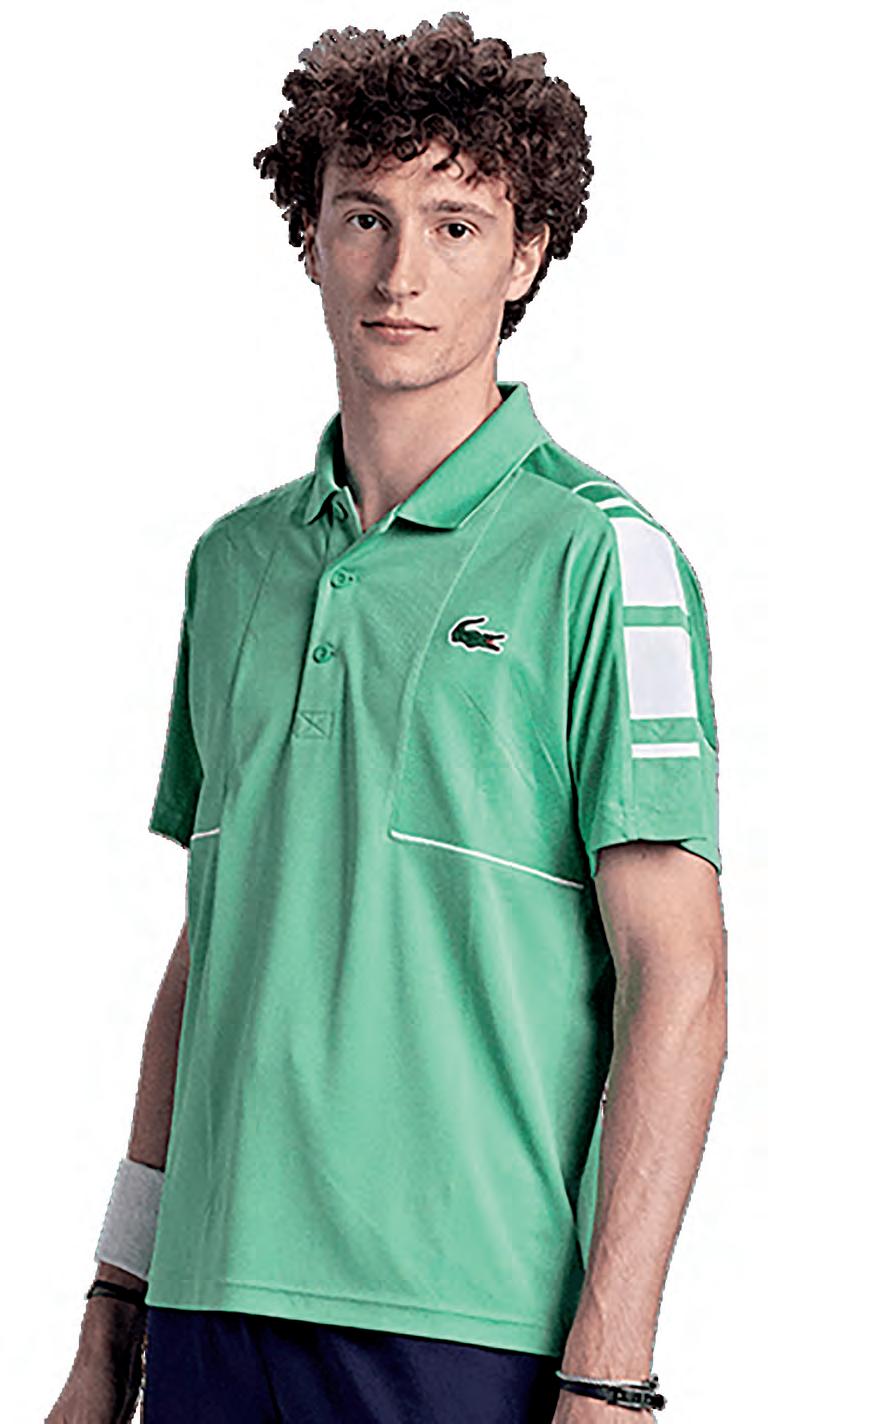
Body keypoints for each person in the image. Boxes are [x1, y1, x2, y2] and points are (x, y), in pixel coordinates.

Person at [46, 13, 727, 1423]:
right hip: (206, 1306)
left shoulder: (606, 560)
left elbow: (680, 976)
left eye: (456, 225)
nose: (402, 271)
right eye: (365, 215)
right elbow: (211, 950)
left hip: (462, 1318)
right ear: (311, 237)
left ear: (528, 254)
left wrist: (613, 1367)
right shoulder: (234, 564)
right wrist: (114, 1307)